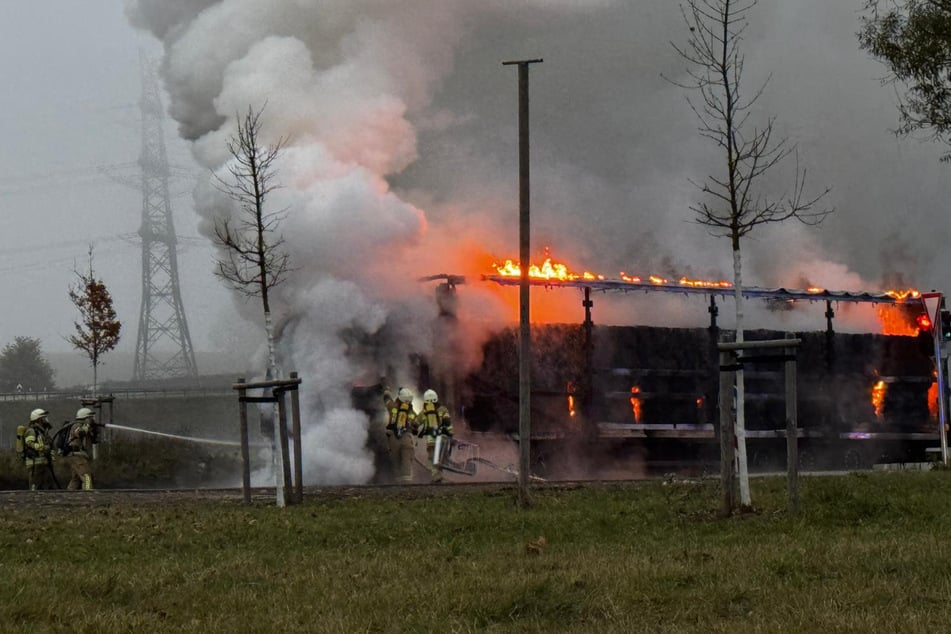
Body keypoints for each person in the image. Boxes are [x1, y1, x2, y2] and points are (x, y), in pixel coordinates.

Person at [416, 389, 454, 483]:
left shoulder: (424, 412)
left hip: (431, 441)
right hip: (442, 439)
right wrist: (451, 435)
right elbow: (448, 424)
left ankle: (436, 477)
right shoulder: (443, 410)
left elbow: (416, 423)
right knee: (441, 458)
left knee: (432, 459)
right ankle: (438, 476)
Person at [382, 386, 417, 484]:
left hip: (393, 439)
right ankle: (407, 483)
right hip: (406, 438)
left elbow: (387, 399)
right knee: (406, 460)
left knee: (396, 461)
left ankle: (397, 484)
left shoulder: (392, 407)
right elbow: (415, 422)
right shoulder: (410, 411)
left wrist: (386, 390)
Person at [64, 407, 98, 491]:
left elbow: (93, 440)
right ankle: (88, 495)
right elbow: (79, 432)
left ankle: (69, 495)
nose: (92, 420)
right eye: (90, 418)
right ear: (85, 418)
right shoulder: (77, 425)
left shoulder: (85, 427)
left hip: (78, 456)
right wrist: (88, 426)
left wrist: (94, 430)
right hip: (77, 456)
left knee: (76, 479)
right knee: (86, 476)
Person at [23, 408, 56, 490]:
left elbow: (50, 444)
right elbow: (29, 442)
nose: (46, 419)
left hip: (44, 463)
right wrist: (40, 447)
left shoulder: (43, 432)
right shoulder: (31, 431)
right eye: (44, 417)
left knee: (47, 486)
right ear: (39, 419)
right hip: (35, 463)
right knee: (35, 486)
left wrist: (51, 453)